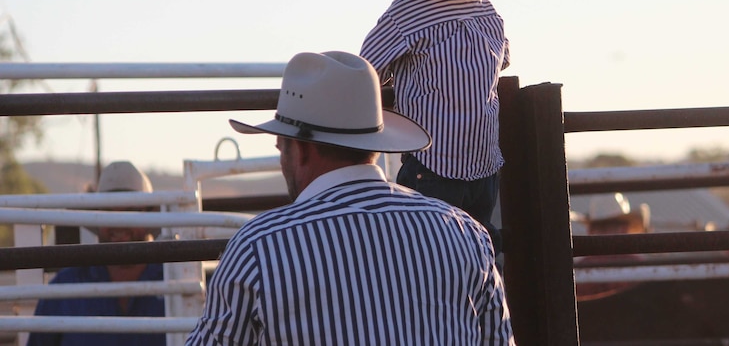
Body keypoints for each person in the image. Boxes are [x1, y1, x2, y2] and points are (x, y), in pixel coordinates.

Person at [186, 51, 513, 345]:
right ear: (376, 141)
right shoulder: (465, 233)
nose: (277, 149)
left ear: (299, 149)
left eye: (281, 141)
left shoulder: (259, 246)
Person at [335, 0, 509, 255]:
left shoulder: (406, 16)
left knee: (421, 252)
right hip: (484, 167)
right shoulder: (484, 10)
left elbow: (364, 71)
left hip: (432, 166)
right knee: (474, 254)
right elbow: (503, 58)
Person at [27, 161, 166, 346]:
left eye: (131, 210)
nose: (118, 222)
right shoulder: (64, 288)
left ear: (149, 215)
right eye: (107, 210)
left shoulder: (175, 279)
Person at [573, 193, 650, 301]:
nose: (606, 233)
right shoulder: (640, 266)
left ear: (590, 231)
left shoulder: (578, 270)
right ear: (625, 229)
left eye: (611, 226)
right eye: (602, 227)